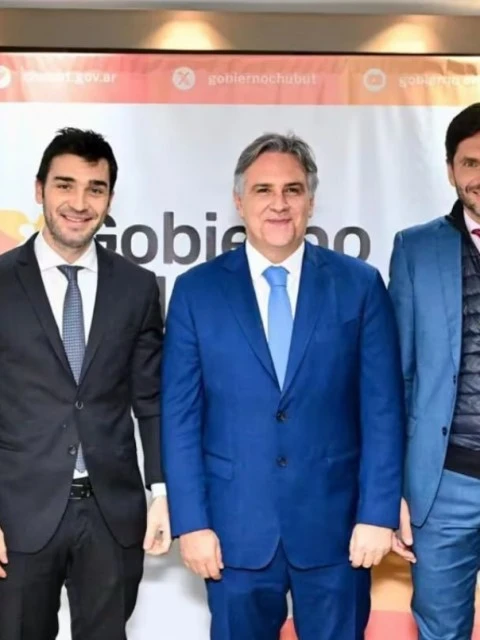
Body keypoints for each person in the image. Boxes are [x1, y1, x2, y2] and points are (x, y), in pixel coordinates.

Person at [161, 132, 405, 640]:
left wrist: (378, 514)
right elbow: (180, 418)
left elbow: (383, 410)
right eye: (263, 190)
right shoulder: (196, 291)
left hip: (339, 534)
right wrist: (192, 523)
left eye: (292, 190)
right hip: (232, 534)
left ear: (310, 201)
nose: (279, 204)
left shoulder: (359, 285)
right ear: (239, 201)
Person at [0, 127, 171, 640]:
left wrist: (162, 491)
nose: (79, 203)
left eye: (95, 189)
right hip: (18, 516)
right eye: (65, 185)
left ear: (110, 199)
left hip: (112, 515)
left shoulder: (137, 287)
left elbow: (151, 399)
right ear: (39, 190)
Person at [389, 102, 480, 640]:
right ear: (450, 170)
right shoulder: (415, 249)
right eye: (471, 163)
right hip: (443, 486)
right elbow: (396, 379)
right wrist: (395, 487)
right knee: (441, 632)